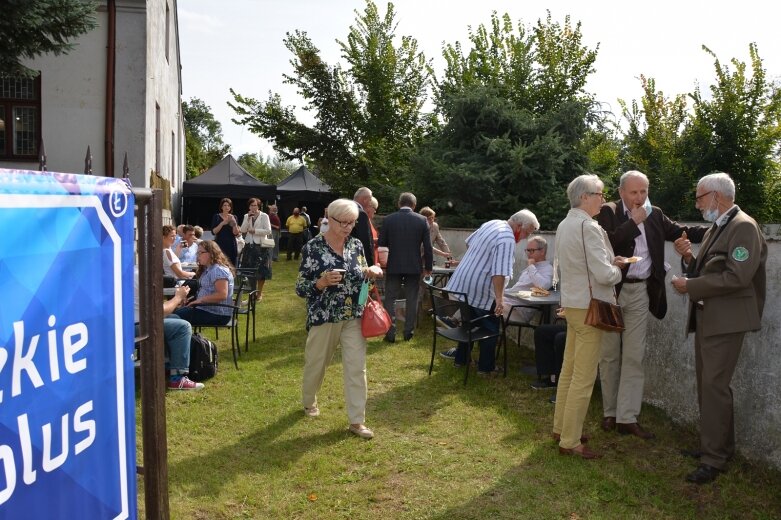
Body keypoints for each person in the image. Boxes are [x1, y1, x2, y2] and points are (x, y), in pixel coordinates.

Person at [596, 170, 707, 439]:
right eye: (633, 192)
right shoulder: (608, 211)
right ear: (621, 192)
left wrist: (719, 228)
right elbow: (606, 244)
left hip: (641, 291)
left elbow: (681, 231)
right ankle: (609, 412)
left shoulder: (654, 213)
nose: (639, 198)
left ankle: (627, 417)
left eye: (643, 191)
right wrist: (633, 222)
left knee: (635, 355)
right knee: (610, 354)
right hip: (611, 291)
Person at [671, 172, 767, 484]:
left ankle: (715, 459)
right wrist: (688, 259)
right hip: (712, 317)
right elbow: (711, 267)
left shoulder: (743, 227)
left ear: (716, 196)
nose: (697, 204)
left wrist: (690, 285)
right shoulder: (721, 224)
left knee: (714, 386)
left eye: (700, 197)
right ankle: (716, 447)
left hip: (727, 320)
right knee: (709, 385)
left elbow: (736, 277)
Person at [295, 198, 384, 439]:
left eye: (351, 223)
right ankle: (309, 401)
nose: (347, 227)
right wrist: (321, 282)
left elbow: (363, 274)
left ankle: (357, 421)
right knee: (317, 363)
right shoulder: (313, 247)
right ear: (329, 219)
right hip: (324, 315)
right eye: (343, 222)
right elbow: (301, 287)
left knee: (357, 368)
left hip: (354, 315)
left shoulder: (355, 244)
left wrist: (371, 272)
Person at [552, 174, 624, 459]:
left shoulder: (564, 224)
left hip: (572, 305)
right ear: (585, 196)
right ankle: (569, 441)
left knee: (568, 371)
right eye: (599, 194)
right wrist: (618, 267)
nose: (603, 200)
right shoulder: (588, 227)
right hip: (590, 307)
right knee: (583, 377)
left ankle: (562, 428)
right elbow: (604, 274)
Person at [445, 209, 539, 375]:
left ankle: (461, 359)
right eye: (526, 233)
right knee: (490, 327)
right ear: (518, 226)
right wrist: (500, 299)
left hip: (464, 282)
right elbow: (499, 273)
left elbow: (469, 243)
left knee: (470, 322)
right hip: (481, 288)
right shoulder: (507, 238)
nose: (525, 238)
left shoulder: (492, 223)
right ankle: (486, 368)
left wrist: (479, 257)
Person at [439, 234, 552, 360]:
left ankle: (458, 333)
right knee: (477, 304)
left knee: (480, 306)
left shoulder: (547, 269)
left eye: (531, 250)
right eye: (527, 250)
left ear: (542, 251)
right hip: (509, 303)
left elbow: (543, 286)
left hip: (519, 310)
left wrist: (531, 266)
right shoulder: (532, 267)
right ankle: (463, 346)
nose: (528, 254)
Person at [134, 270, 204, 390]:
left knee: (174, 318)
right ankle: (177, 378)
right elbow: (158, 312)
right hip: (132, 328)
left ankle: (166, 366)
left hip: (127, 325)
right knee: (182, 327)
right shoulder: (140, 275)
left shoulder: (135, 273)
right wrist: (178, 297)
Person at [378, 192, 433, 343]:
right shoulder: (422, 220)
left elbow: (381, 243)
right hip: (414, 266)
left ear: (399, 203)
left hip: (394, 264)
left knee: (390, 299)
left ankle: (390, 333)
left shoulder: (388, 219)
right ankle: (408, 333)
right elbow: (428, 247)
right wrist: (428, 267)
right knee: (412, 299)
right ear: (414, 206)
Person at [173, 240, 235, 326]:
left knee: (173, 318)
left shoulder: (218, 270)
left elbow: (222, 295)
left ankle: (182, 337)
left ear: (211, 253)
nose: (198, 256)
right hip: (206, 309)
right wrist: (191, 299)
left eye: (201, 253)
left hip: (217, 314)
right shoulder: (208, 269)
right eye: (197, 253)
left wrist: (200, 300)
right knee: (173, 314)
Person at [239, 197, 273, 299]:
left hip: (261, 247)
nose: (253, 207)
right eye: (251, 205)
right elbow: (242, 230)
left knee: (261, 271)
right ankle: (252, 292)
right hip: (249, 246)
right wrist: (248, 218)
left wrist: (255, 231)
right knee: (250, 271)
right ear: (249, 206)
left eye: (255, 205)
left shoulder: (264, 216)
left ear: (258, 206)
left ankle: (259, 293)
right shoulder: (246, 215)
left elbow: (268, 231)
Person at [533, 322, 566, 390]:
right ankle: (552, 378)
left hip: (587, 328)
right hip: (573, 325)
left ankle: (561, 381)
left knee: (560, 338)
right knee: (541, 331)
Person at [211, 198, 240, 267]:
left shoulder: (234, 217)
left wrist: (234, 223)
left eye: (228, 205)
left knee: (231, 265)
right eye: (225, 205)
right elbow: (213, 232)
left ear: (230, 207)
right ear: (221, 207)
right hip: (220, 243)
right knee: (219, 263)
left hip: (231, 244)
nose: (227, 207)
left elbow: (235, 233)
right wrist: (222, 223)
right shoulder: (217, 217)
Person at [351, 187, 376, 266]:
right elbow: (365, 241)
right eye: (370, 200)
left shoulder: (342, 210)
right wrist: (370, 264)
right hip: (357, 260)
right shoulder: (361, 214)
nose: (370, 203)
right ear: (365, 200)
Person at [366, 196, 379, 264]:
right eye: (375, 208)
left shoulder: (368, 220)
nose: (375, 211)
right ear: (369, 207)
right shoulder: (364, 221)